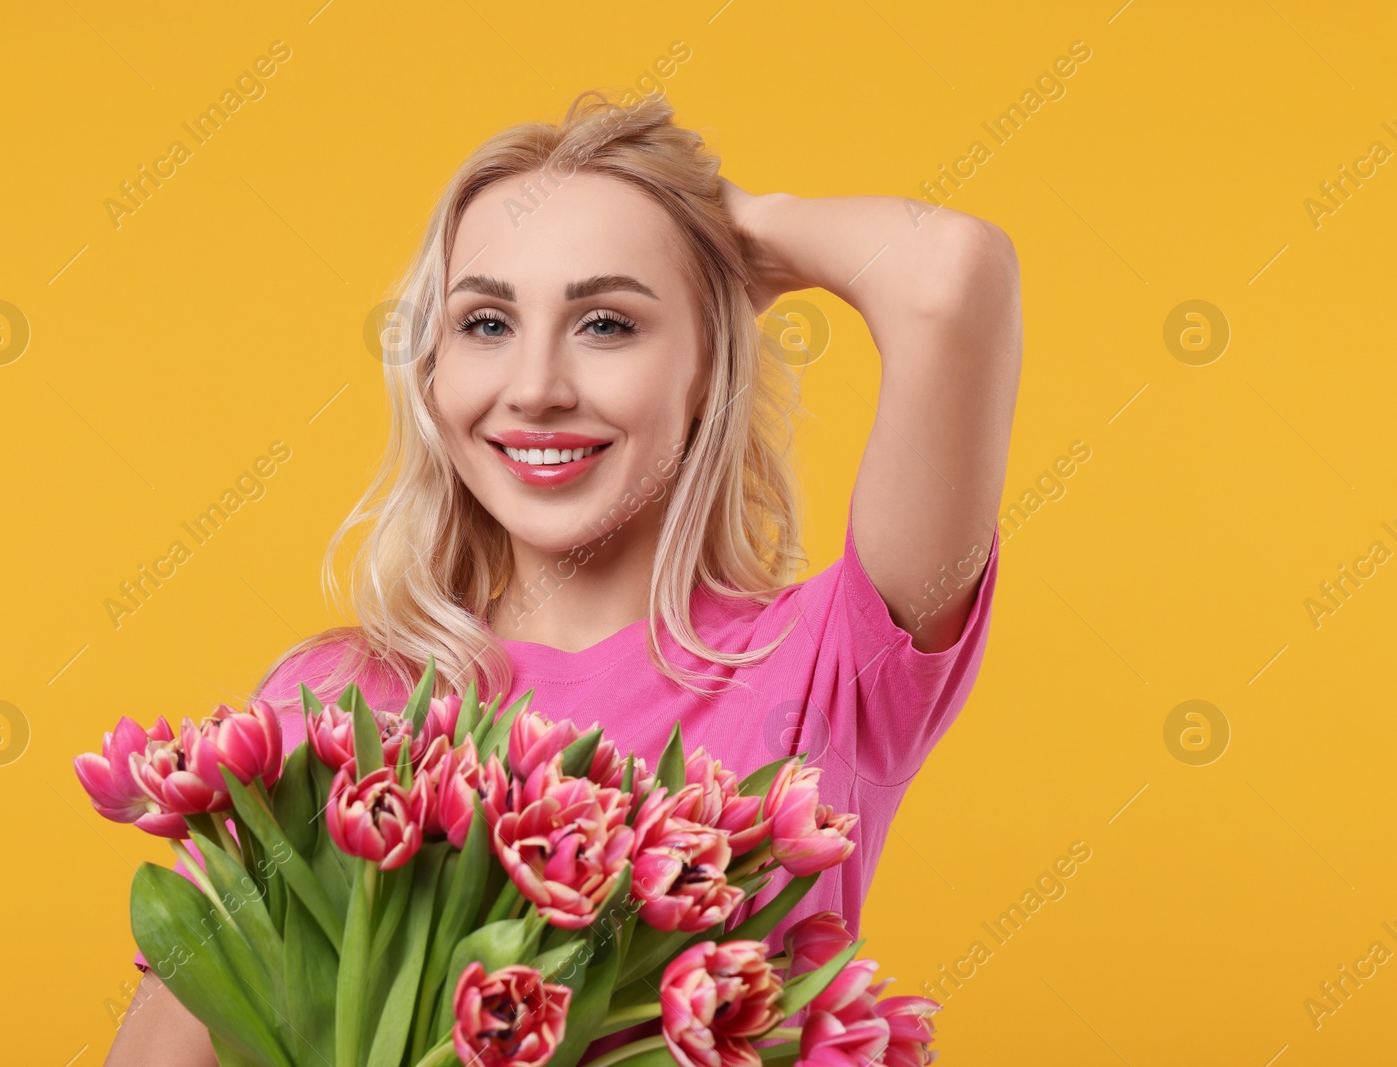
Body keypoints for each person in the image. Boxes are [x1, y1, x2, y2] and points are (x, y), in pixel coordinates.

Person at [105, 88, 1021, 1065]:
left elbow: (950, 275)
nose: (536, 385)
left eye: (607, 324)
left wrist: (745, 232)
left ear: (710, 366)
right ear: (429, 368)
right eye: (487, 322)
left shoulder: (826, 670)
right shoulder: (332, 704)